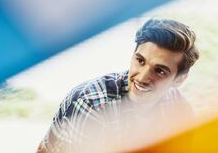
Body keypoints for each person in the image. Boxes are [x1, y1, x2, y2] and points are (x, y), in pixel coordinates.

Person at [37, 19, 199, 153]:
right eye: (140, 61)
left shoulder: (178, 108)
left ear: (179, 80)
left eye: (160, 71)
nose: (142, 77)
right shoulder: (92, 104)